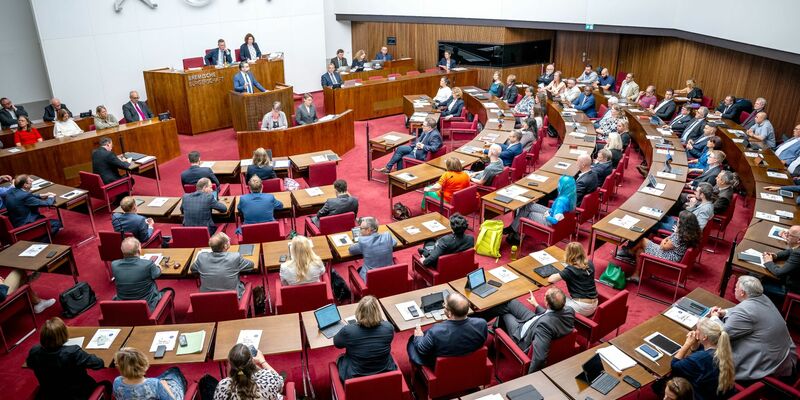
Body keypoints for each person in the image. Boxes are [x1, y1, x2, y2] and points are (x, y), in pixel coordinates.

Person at [709, 276, 797, 381]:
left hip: (766, 364)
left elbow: (721, 335)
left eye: (736, 287)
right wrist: (725, 312)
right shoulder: (762, 297)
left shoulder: (745, 311)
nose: (734, 289)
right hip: (782, 355)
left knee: (709, 350)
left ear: (742, 293)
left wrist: (714, 317)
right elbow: (743, 310)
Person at [474, 287, 575, 372]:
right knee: (510, 303)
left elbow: (539, 358)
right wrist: (536, 305)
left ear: (547, 304)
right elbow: (551, 314)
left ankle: (475, 322)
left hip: (521, 337)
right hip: (534, 321)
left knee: (505, 313)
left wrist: (529, 377)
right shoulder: (569, 310)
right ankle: (477, 318)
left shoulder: (544, 327)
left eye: (545, 296)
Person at [26, 317, 104, 400]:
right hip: (78, 394)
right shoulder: (73, 352)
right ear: (64, 334)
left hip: (50, 394)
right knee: (107, 384)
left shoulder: (34, 351)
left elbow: (30, 364)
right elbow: (99, 363)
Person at [407, 292, 487, 367]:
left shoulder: (436, 332)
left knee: (412, 341)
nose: (443, 306)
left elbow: (422, 350)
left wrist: (418, 336)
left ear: (449, 313)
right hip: (471, 362)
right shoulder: (482, 323)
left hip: (444, 366)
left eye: (445, 306)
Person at [624, 211, 700, 281]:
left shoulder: (679, 236)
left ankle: (630, 251)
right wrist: (673, 235)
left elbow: (663, 246)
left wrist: (665, 239)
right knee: (640, 251)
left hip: (667, 257)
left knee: (643, 240)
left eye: (679, 220)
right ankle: (636, 275)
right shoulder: (690, 234)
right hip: (671, 254)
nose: (677, 221)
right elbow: (669, 242)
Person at [334, 295, 397, 381]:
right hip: (384, 372)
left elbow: (337, 344)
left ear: (359, 311)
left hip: (355, 376)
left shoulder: (348, 330)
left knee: (340, 358)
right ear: (378, 312)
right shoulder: (389, 328)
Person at [670, 318, 735, 400]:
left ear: (704, 337)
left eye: (697, 329)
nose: (695, 331)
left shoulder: (698, 358)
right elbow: (701, 358)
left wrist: (687, 344)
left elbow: (675, 365)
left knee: (669, 379)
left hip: (702, 396)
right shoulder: (723, 350)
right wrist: (694, 346)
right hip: (720, 393)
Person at [507, 175, 577, 243]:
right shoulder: (571, 196)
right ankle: (513, 229)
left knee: (528, 214)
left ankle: (516, 234)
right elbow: (560, 213)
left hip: (550, 222)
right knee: (528, 205)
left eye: (559, 183)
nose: (558, 185)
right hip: (553, 213)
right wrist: (550, 211)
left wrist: (547, 216)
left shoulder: (560, 201)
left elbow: (555, 221)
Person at [112, 237, 168, 310]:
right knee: (169, 291)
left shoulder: (114, 265)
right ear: (139, 250)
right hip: (147, 306)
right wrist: (159, 267)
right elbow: (156, 274)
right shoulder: (148, 264)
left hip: (124, 307)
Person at [191, 232, 254, 297]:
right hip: (232, 300)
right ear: (225, 246)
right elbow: (251, 265)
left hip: (207, 299)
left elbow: (193, 269)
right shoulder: (235, 257)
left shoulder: (201, 257)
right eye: (228, 240)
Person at [214, 344, 283, 399]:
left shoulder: (223, 386)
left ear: (230, 365)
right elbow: (281, 385)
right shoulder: (267, 380)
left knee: (206, 380)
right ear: (252, 361)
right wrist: (262, 361)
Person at [113, 347, 186, 400]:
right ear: (142, 362)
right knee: (174, 372)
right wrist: (165, 387)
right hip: (162, 389)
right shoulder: (154, 384)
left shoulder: (117, 382)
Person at [548, 242, 598, 316]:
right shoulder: (589, 263)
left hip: (581, 307)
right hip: (594, 304)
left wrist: (563, 271)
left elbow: (551, 279)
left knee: (553, 294)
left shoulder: (570, 270)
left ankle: (551, 318)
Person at [349, 217, 397, 282]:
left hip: (370, 280)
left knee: (359, 270)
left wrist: (354, 245)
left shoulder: (363, 241)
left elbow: (351, 250)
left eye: (361, 228)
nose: (360, 230)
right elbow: (394, 243)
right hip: (389, 275)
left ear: (368, 230)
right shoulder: (387, 236)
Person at [761, 225, 800, 300]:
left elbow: (779, 273)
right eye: (786, 233)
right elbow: (791, 250)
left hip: (792, 290)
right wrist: (776, 255)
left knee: (757, 285)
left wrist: (768, 262)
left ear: (798, 240)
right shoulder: (797, 248)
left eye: (789, 235)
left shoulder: (798, 254)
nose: (785, 236)